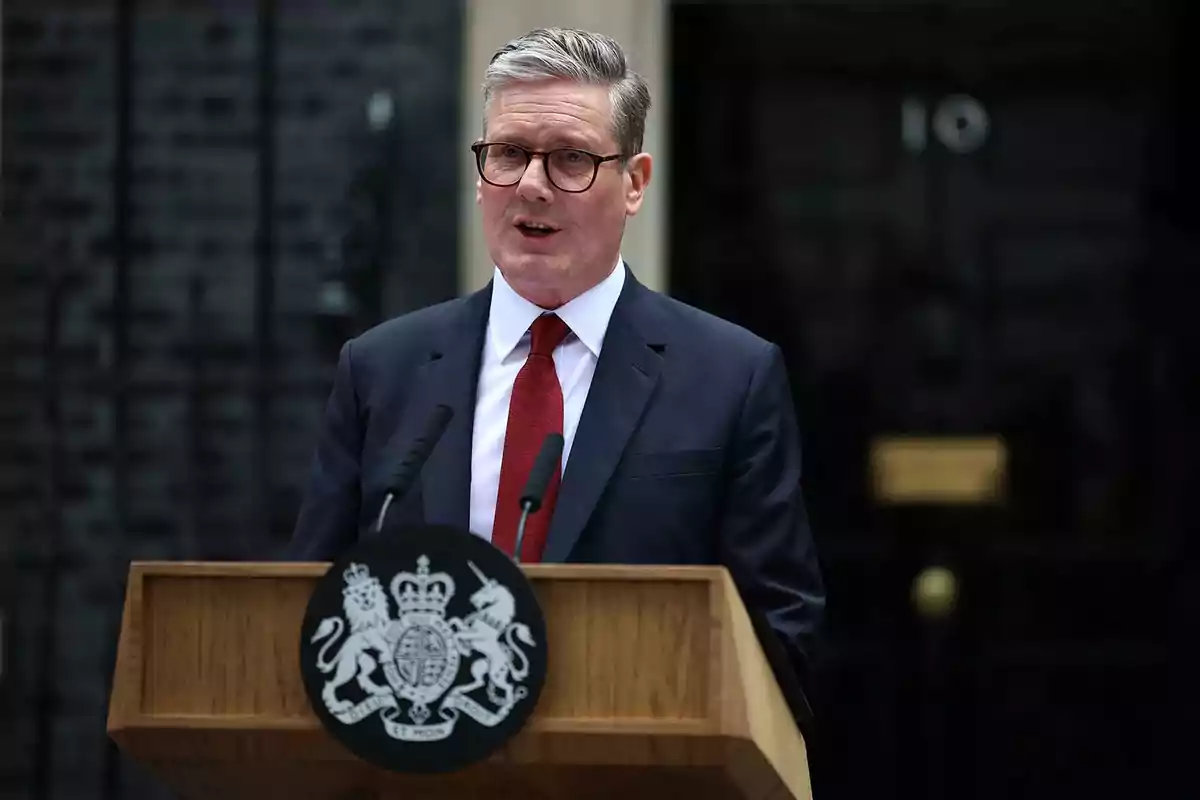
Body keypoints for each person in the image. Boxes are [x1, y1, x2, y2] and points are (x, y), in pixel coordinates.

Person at [285, 27, 825, 704]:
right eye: (508, 154)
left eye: (570, 159)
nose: (532, 186)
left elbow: (782, 637)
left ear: (634, 183)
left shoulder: (730, 377)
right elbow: (309, 610)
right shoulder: (381, 370)